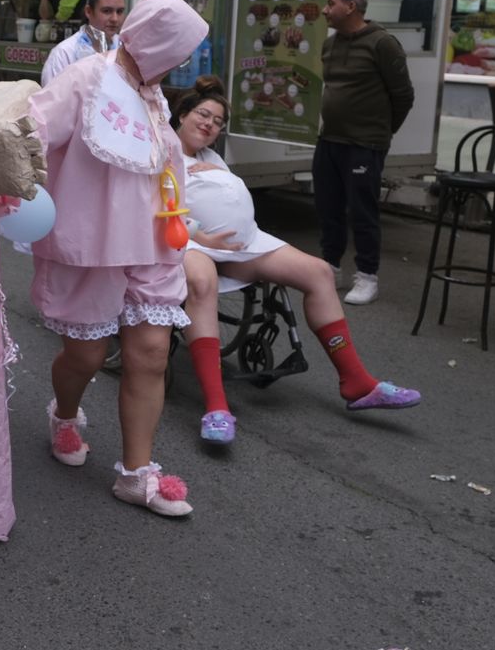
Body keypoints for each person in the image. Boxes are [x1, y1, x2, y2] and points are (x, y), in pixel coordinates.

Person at [27, 0, 207, 519]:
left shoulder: (154, 93)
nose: (183, 62)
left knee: (150, 353)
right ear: (157, 41)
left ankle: (136, 474)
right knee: (84, 355)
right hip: (93, 242)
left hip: (152, 239)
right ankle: (64, 414)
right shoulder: (85, 78)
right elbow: (31, 132)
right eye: (180, 49)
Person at [172, 77, 422, 445]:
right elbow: (153, 206)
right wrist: (198, 234)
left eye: (217, 122)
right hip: (187, 244)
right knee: (202, 283)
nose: (209, 125)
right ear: (182, 115)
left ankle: (357, 383)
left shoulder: (210, 156)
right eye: (203, 115)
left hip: (244, 245)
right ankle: (216, 407)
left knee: (318, 271)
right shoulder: (161, 151)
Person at [317, 0, 415, 305]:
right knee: (328, 207)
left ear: (351, 7)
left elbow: (403, 95)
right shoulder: (330, 45)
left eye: (331, 4)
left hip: (364, 144)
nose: (325, 10)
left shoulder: (382, 44)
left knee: (362, 211)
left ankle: (367, 276)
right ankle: (331, 268)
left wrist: (382, 133)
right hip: (329, 139)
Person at [40, 0, 127, 85]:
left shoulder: (126, 48)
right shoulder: (64, 54)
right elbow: (50, 98)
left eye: (120, 11)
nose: (115, 19)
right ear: (89, 11)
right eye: (107, 11)